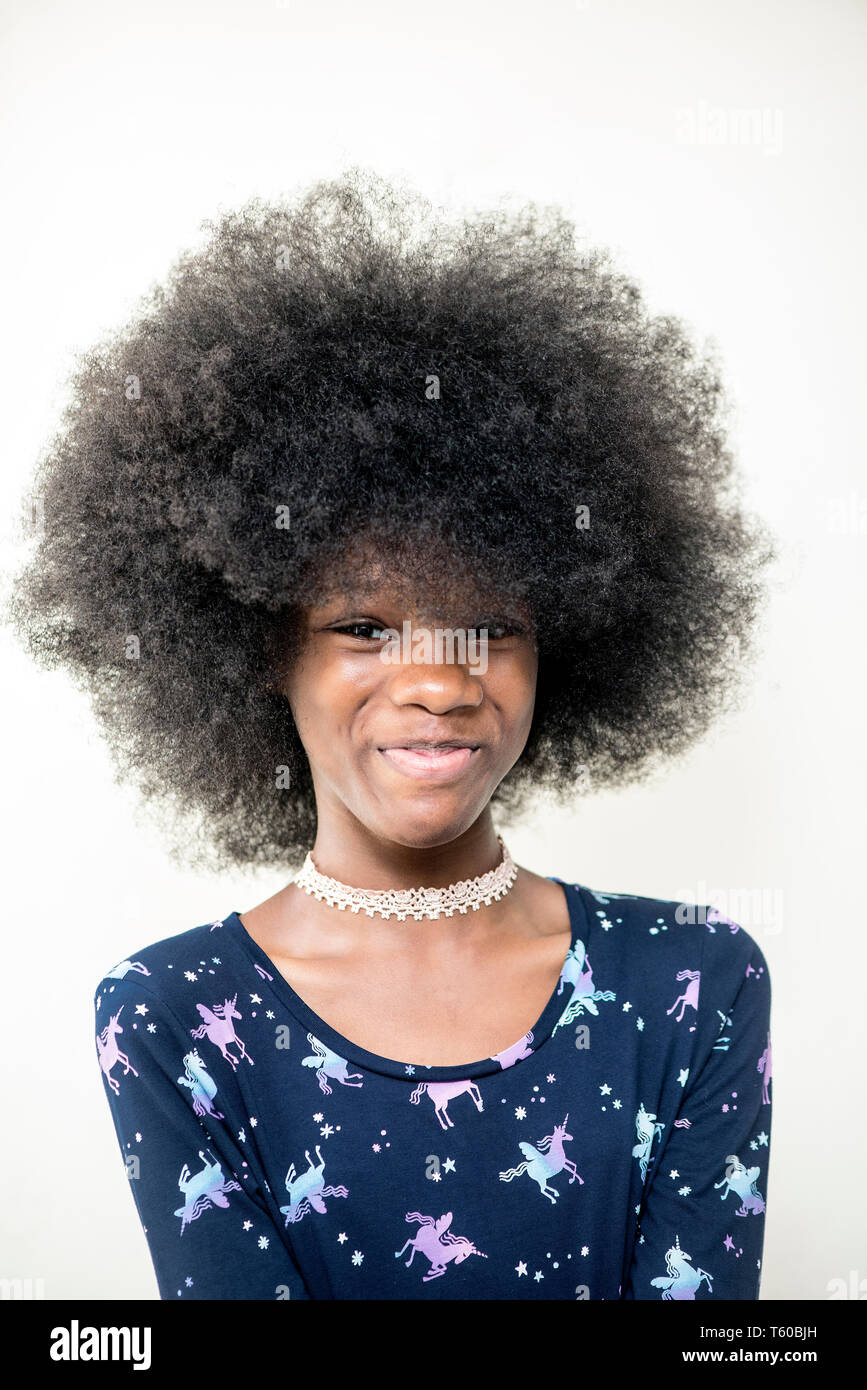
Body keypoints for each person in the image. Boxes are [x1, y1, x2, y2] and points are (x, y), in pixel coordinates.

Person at [9, 168, 774, 1300]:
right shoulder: (173, 1017)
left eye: (492, 624)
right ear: (258, 650)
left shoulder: (691, 982)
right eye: (365, 625)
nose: (439, 681)